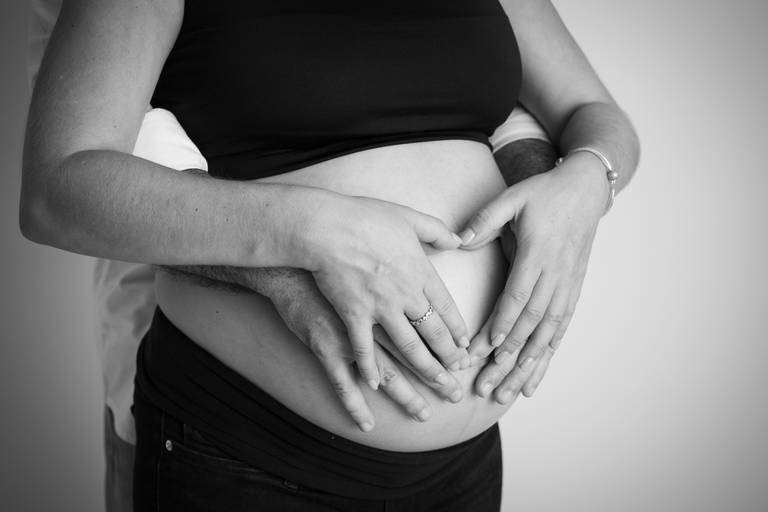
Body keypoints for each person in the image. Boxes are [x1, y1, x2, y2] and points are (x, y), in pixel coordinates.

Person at [20, 0, 639, 510]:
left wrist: (587, 180)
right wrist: (312, 230)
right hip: (249, 453)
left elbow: (596, 114)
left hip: (463, 469)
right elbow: (59, 188)